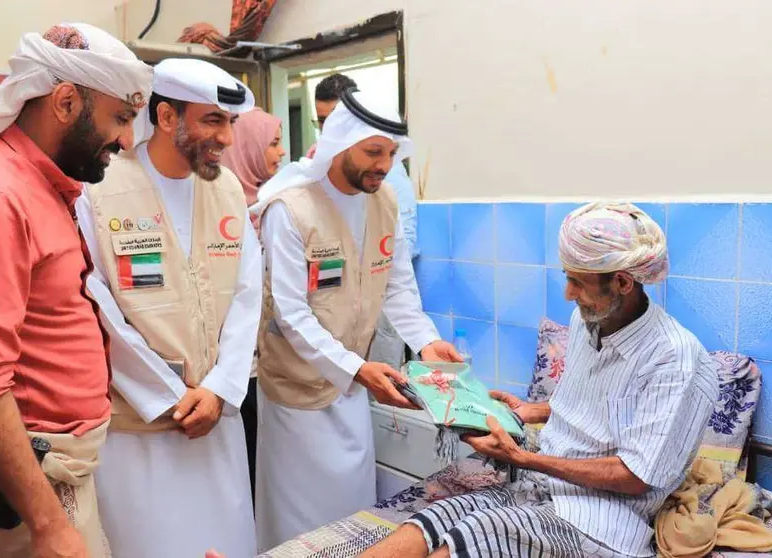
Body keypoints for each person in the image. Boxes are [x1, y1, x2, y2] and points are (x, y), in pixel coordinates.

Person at [362, 202, 720, 558]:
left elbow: (633, 476)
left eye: (577, 282)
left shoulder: (675, 360)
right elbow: (597, 405)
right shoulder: (587, 321)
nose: (568, 293)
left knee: (477, 534)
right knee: (434, 519)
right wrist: (531, 411)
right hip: (544, 483)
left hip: (602, 515)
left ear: (623, 282)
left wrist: (522, 458)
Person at [252, 89, 462, 551]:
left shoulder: (383, 202)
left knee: (352, 517)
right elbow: (290, 313)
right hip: (296, 396)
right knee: (300, 526)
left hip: (350, 392)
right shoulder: (290, 209)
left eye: (391, 153)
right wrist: (356, 368)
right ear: (339, 143)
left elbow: (398, 285)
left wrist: (427, 342)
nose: (384, 165)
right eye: (373, 152)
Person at [0, 23, 152, 558]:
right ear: (66, 101)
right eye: (120, 118)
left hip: (56, 470)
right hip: (23, 486)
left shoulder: (43, 183)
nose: (125, 141)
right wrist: (49, 525)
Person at [74, 58, 261, 557]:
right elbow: (96, 303)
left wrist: (220, 389)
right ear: (167, 117)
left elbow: (248, 295)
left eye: (231, 123)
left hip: (216, 420)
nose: (226, 138)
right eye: (213, 120)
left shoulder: (227, 190)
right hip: (140, 424)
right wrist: (167, 394)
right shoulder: (100, 188)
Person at [313, 73, 419, 371]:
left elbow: (398, 256)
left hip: (378, 309)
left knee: (377, 399)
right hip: (326, 328)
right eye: (321, 122)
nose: (328, 130)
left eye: (334, 119)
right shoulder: (307, 181)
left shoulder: (385, 177)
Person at [220, 106, 285, 505]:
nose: (280, 153)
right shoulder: (222, 208)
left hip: (275, 368)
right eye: (272, 143)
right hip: (235, 371)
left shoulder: (277, 205)